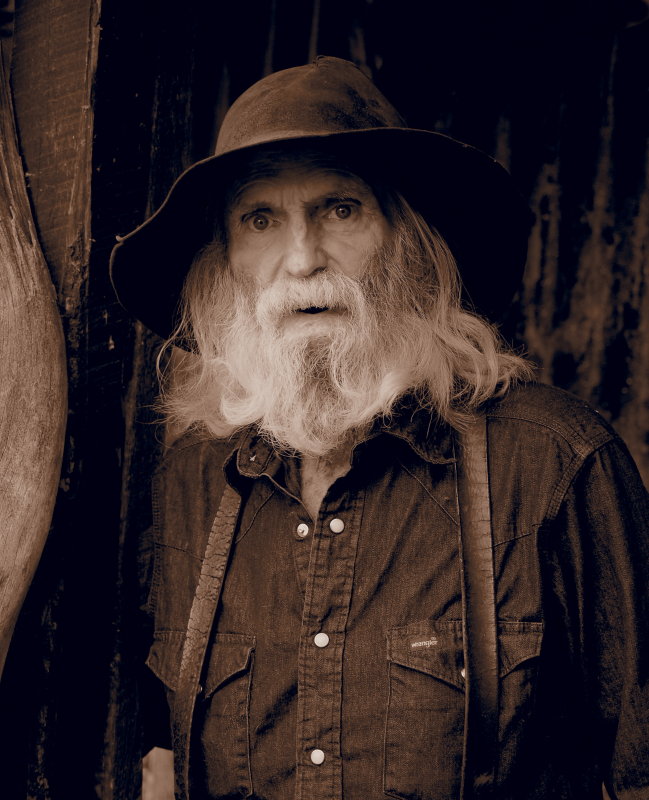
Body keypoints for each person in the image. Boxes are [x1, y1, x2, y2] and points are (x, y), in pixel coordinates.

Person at [110, 56, 649, 800]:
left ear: (408, 242)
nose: (301, 259)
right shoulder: (192, 485)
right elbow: (157, 760)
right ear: (225, 265)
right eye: (259, 218)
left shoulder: (555, 462)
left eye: (340, 208)